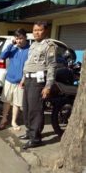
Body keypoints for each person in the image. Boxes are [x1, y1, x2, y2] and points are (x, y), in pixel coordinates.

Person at [20, 21, 57, 149]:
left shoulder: (49, 45)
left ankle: (35, 138)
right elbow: (29, 63)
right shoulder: (33, 44)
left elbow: (51, 66)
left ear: (45, 31)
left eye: (39, 30)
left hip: (38, 82)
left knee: (35, 111)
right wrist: (24, 78)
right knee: (26, 108)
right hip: (29, 80)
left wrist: (48, 86)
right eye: (35, 30)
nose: (36, 32)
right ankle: (29, 132)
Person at [0, 28, 30, 131]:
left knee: (16, 103)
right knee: (6, 101)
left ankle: (13, 121)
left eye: (21, 38)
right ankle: (4, 119)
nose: (19, 40)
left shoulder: (30, 49)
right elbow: (2, 56)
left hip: (21, 81)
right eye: (17, 38)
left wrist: (24, 79)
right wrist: (11, 44)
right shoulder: (13, 48)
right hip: (9, 79)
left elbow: (29, 66)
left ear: (25, 38)